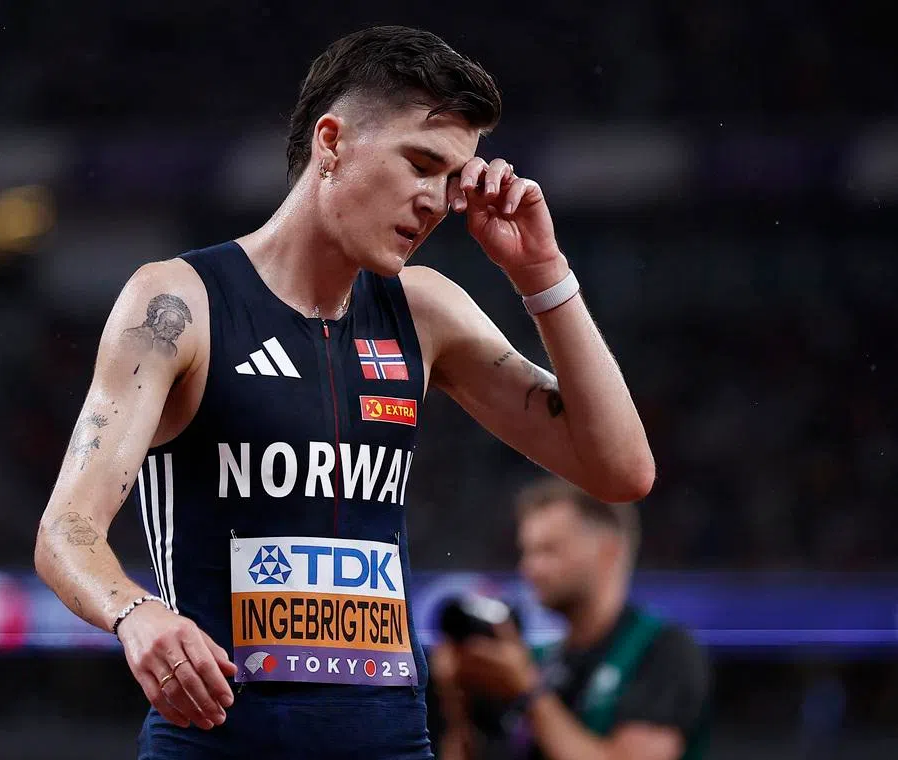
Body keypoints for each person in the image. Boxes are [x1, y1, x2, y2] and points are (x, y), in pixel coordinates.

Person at [33, 25, 655, 760]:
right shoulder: (178, 304)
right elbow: (65, 531)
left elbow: (621, 470)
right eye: (421, 163)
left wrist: (543, 275)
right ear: (331, 142)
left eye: (453, 181)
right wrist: (136, 614)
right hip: (218, 746)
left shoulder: (424, 312)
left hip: (390, 743)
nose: (435, 202)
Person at [430, 478, 710, 760]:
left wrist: (529, 693)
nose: (529, 568)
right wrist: (458, 702)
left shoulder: (663, 650)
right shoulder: (540, 660)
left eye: (548, 551)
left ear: (607, 553)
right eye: (527, 552)